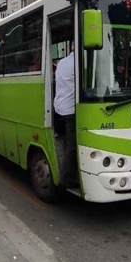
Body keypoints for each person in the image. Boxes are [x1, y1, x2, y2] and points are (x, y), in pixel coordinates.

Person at [53, 50, 77, 187]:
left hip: (59, 108)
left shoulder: (62, 62)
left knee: (66, 142)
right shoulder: (77, 63)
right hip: (69, 111)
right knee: (72, 145)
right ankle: (66, 178)